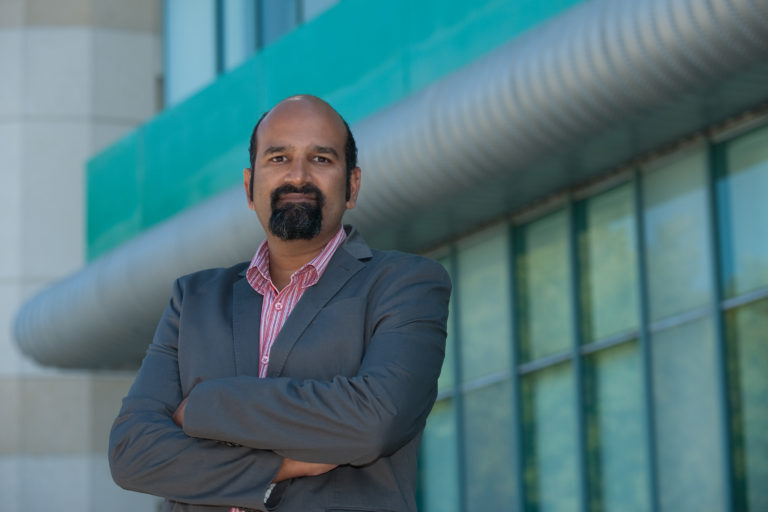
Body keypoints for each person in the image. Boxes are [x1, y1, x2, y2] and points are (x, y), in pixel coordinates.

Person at [108, 95, 451, 512]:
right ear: (250, 187)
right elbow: (131, 454)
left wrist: (206, 403)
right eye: (279, 158)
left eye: (321, 159)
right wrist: (283, 464)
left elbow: (375, 423)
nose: (299, 176)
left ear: (353, 186)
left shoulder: (405, 284)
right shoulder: (193, 299)